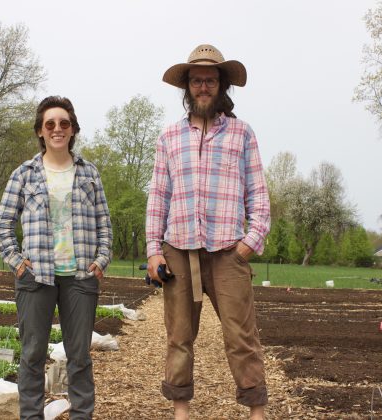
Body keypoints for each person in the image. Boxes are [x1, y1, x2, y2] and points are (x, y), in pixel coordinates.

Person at [145, 44, 271, 420]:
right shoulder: (169, 137)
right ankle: (181, 411)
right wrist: (154, 251)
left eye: (210, 80)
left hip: (227, 251)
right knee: (179, 337)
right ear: (188, 87)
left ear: (221, 86)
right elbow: (158, 196)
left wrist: (248, 245)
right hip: (178, 249)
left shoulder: (242, 134)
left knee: (241, 337)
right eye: (197, 80)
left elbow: (259, 197)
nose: (203, 86)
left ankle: (256, 412)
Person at [0, 96, 112, 419]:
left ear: (72, 130)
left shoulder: (89, 174)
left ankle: (81, 415)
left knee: (79, 357)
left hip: (80, 278)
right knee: (32, 354)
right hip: (36, 279)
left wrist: (101, 260)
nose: (57, 129)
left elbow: (105, 224)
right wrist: (17, 262)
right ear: (40, 131)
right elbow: (2, 223)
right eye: (50, 124)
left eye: (64, 123)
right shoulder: (24, 174)